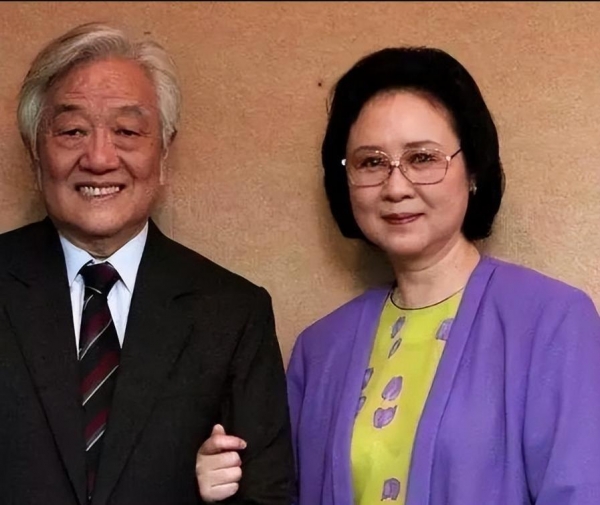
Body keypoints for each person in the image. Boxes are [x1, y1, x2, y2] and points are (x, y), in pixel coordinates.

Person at [195, 46, 600, 504]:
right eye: (371, 162)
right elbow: (278, 491)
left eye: (422, 158)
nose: (396, 186)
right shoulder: (320, 349)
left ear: (473, 170)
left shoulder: (552, 322)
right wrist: (223, 483)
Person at [0, 22, 294, 505]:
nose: (99, 158)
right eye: (72, 131)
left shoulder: (232, 314)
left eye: (127, 131)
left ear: (162, 152)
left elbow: (267, 495)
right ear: (36, 151)